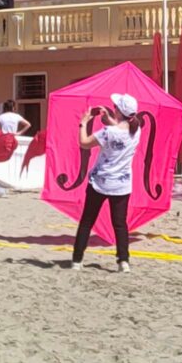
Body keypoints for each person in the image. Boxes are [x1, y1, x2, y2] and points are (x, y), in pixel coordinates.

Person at [70, 93, 143, 273]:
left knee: (87, 221)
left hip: (100, 182)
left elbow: (84, 142)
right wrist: (110, 119)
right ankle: (123, 261)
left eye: (115, 107)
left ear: (118, 111)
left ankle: (77, 260)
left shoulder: (107, 132)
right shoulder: (137, 130)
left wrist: (83, 123)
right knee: (120, 224)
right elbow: (121, 130)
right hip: (121, 185)